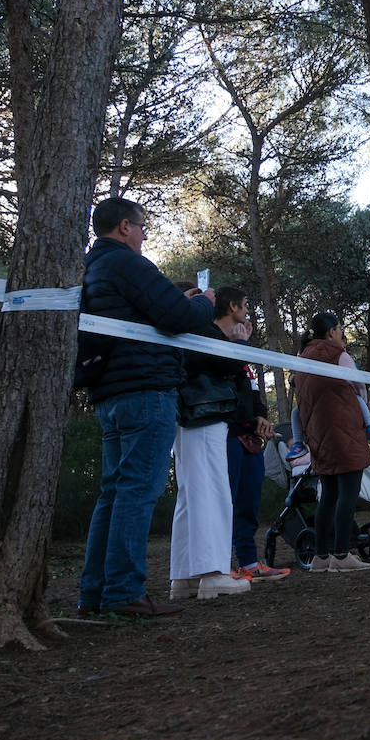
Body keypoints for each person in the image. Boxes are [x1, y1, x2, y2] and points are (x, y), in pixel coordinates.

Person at [76, 197, 216, 618]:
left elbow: (150, 311)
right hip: (145, 389)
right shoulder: (128, 264)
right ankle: (123, 593)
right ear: (123, 227)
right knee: (136, 491)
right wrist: (205, 303)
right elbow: (176, 315)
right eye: (141, 227)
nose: (143, 235)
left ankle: (95, 594)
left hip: (111, 393)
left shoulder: (93, 268)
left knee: (113, 493)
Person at [168, 281, 251, 602]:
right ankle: (213, 573)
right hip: (202, 413)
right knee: (212, 491)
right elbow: (222, 363)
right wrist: (240, 345)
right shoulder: (197, 326)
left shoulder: (185, 328)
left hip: (190, 415)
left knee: (190, 494)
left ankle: (185, 576)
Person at [213, 286, 286, 582]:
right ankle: (217, 566)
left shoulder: (241, 347)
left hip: (249, 438)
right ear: (233, 307)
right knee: (222, 502)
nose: (247, 312)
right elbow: (219, 386)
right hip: (225, 435)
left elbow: (251, 391)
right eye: (245, 305)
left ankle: (248, 563)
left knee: (248, 503)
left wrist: (261, 419)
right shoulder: (212, 340)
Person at [296, 311, 370, 572]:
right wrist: (366, 415)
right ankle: (341, 556)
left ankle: (320, 557)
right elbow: (359, 388)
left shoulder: (302, 359)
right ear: (331, 332)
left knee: (328, 495)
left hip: (318, 436)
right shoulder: (339, 356)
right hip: (346, 432)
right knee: (347, 496)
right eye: (340, 329)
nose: (342, 334)